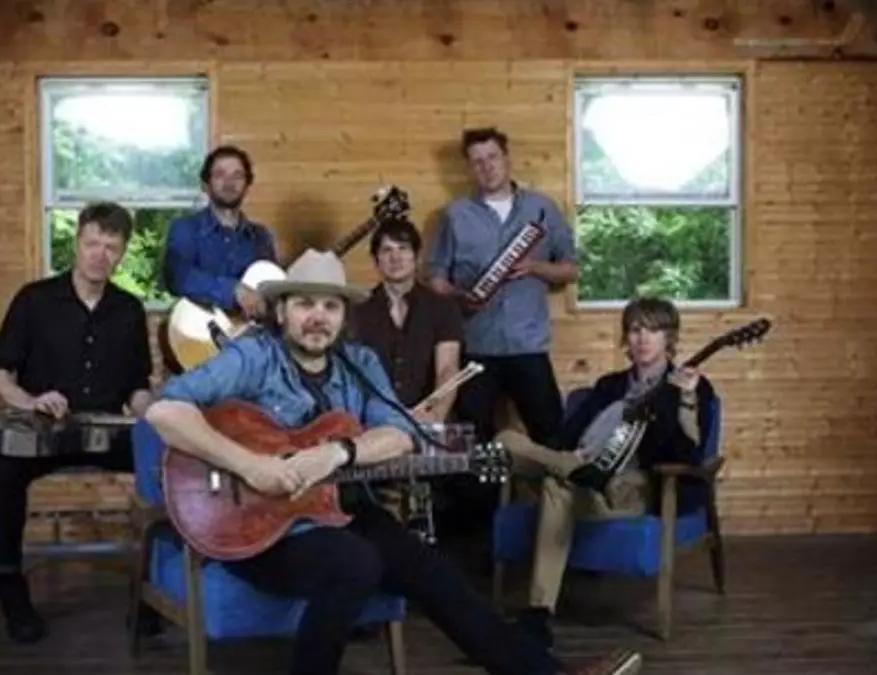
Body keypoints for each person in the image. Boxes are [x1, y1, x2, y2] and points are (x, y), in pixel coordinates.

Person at [144, 249, 642, 675]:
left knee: (434, 570)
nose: (317, 317)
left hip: (339, 511)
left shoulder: (359, 364)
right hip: (258, 528)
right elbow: (166, 411)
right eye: (304, 304)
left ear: (343, 315)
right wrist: (251, 466)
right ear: (281, 311)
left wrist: (338, 452)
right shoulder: (254, 356)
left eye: (329, 306)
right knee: (355, 562)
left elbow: (400, 433)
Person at [0, 202, 154, 644]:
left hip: (109, 432)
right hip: (47, 434)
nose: (100, 254)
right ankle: (11, 587)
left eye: (111, 247)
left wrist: (155, 415)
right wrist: (31, 401)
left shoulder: (129, 309)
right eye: (92, 243)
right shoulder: (34, 300)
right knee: (2, 469)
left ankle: (155, 593)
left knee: (168, 464)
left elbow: (137, 387)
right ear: (77, 243)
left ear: (122, 252)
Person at [496, 297, 717, 649]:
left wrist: (686, 402)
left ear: (669, 338)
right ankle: (538, 616)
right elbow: (566, 437)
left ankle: (537, 611)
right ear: (626, 338)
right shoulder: (609, 386)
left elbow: (686, 455)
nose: (642, 338)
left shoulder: (689, 388)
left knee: (548, 475)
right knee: (508, 441)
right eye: (635, 330)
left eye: (653, 330)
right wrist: (570, 457)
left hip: (628, 489)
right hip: (583, 482)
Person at [426, 125, 578, 524]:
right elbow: (436, 278)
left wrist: (535, 267)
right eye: (477, 162)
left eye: (492, 157)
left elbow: (570, 269)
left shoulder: (542, 209)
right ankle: (483, 529)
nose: (487, 167)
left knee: (551, 436)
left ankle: (563, 523)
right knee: (475, 443)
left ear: (507, 158)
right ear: (469, 168)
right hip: (475, 345)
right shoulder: (454, 215)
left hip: (528, 345)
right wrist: (460, 295)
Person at [349, 216, 464, 541]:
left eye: (403, 248)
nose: (395, 257)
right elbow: (353, 375)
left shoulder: (442, 308)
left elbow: (448, 368)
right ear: (375, 261)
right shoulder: (357, 310)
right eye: (386, 250)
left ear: (416, 256)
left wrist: (435, 415)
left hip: (428, 418)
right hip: (375, 423)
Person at [160, 144, 277, 322]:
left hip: (251, 334)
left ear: (247, 186)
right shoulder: (185, 229)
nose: (229, 183)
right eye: (220, 174)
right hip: (197, 334)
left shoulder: (261, 236)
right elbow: (177, 277)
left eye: (237, 175)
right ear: (206, 184)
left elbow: (271, 288)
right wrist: (233, 290)